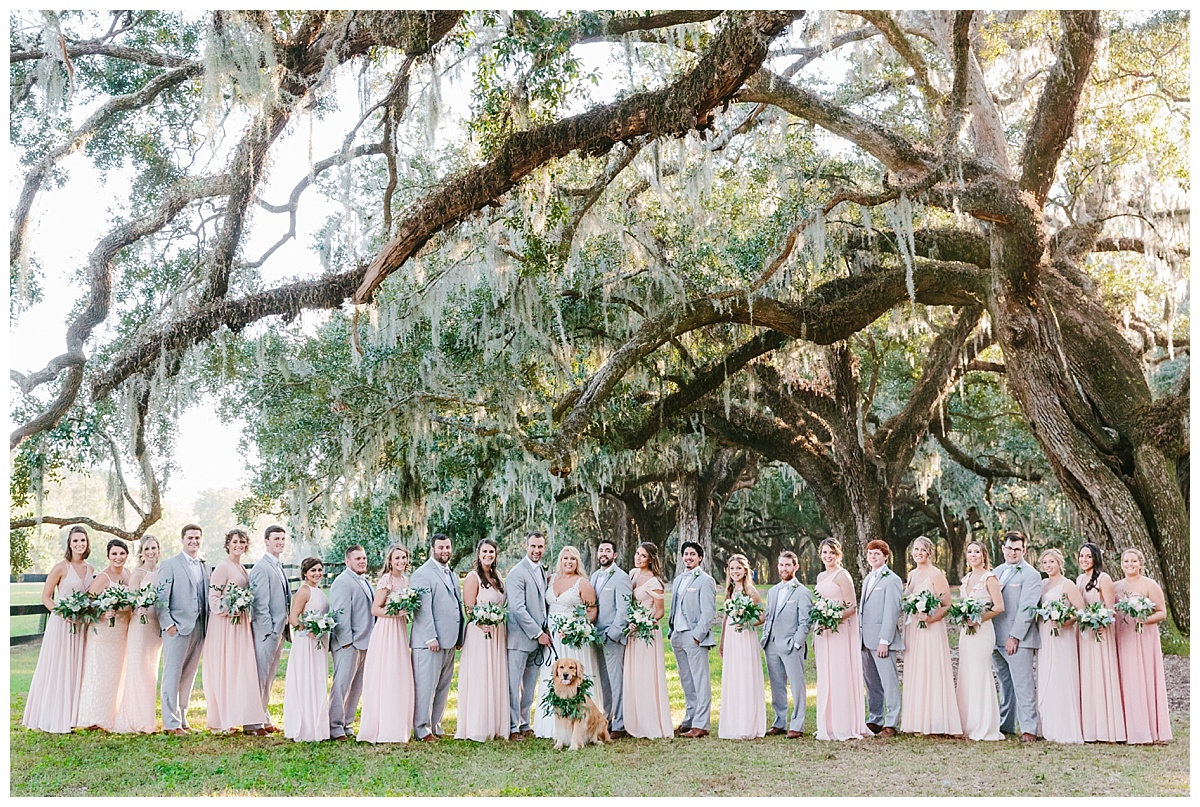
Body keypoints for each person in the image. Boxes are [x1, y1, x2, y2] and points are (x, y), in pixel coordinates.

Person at [23, 526, 94, 733]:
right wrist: (63, 612)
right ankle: (53, 716)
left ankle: (73, 716)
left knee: (76, 667)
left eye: (83, 540)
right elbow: (45, 597)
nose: (79, 544)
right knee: (59, 667)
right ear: (69, 544)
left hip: (81, 626)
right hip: (62, 625)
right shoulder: (60, 568)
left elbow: (91, 596)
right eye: (75, 541)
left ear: (87, 543)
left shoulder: (90, 569)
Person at [533, 545, 603, 738]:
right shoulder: (550, 579)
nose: (568, 562)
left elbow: (592, 611)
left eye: (572, 559)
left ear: (577, 562)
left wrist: (576, 628)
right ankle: (552, 725)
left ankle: (581, 725)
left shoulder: (583, 583)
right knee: (553, 675)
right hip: (552, 637)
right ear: (560, 561)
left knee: (575, 678)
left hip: (574, 639)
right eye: (565, 559)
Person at [204, 528, 268, 734]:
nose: (238, 545)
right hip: (225, 625)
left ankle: (242, 714)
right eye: (234, 542)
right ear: (228, 544)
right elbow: (213, 600)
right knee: (227, 667)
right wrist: (229, 608)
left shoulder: (241, 567)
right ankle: (224, 718)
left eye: (242, 542)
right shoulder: (222, 567)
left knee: (240, 668)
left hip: (240, 623)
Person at [899, 536, 962, 737]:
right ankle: (917, 721)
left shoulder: (936, 574)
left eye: (922, 550)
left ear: (929, 553)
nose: (918, 553)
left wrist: (931, 617)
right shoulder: (911, 574)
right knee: (916, 670)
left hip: (931, 629)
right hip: (914, 629)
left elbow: (947, 605)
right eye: (916, 549)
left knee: (931, 669)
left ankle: (936, 722)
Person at [410, 533, 466, 742]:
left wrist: (459, 636)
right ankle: (421, 728)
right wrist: (430, 637)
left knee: (443, 685)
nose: (445, 551)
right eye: (441, 547)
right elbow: (422, 610)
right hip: (430, 642)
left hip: (450, 640)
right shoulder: (422, 574)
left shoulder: (449, 572)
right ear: (432, 549)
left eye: (448, 547)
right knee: (426, 685)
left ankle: (436, 724)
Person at [358, 544, 416, 744]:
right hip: (386, 630)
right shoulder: (386, 580)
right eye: (397, 558)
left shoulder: (405, 580)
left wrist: (405, 611)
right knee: (387, 672)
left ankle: (398, 724)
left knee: (399, 673)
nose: (401, 561)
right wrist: (396, 613)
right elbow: (375, 609)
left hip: (399, 630)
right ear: (389, 561)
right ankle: (382, 726)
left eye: (404, 558)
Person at [812, 537, 869, 741]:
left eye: (831, 553)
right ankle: (828, 723)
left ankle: (844, 723)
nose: (828, 556)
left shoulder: (842, 575)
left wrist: (833, 618)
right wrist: (820, 622)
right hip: (824, 632)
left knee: (838, 672)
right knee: (826, 674)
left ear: (838, 555)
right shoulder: (820, 577)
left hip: (839, 631)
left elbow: (852, 606)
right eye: (824, 553)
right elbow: (820, 603)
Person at [1114, 548, 1172, 744]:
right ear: (1121, 564)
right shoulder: (1116, 587)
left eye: (1133, 561)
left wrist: (1145, 619)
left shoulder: (1149, 584)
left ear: (1141, 563)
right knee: (1125, 678)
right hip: (1123, 636)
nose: (1130, 564)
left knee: (1143, 677)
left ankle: (1148, 729)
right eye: (1126, 561)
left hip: (1144, 636)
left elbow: (1162, 612)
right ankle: (1126, 728)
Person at [156, 523, 209, 735]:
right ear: (182, 539)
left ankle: (183, 718)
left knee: (188, 675)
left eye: (197, 538)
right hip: (176, 627)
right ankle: (170, 723)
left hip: (199, 626)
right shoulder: (170, 565)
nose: (194, 541)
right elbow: (160, 599)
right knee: (172, 674)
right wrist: (168, 624)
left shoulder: (204, 565)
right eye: (190, 538)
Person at [77, 538, 134, 731]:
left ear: (127, 555)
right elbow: (88, 604)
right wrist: (103, 611)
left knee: (117, 674)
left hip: (122, 632)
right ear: (108, 556)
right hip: (104, 633)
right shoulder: (102, 578)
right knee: (101, 673)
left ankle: (112, 715)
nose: (118, 557)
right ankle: (95, 717)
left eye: (122, 553)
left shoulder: (128, 574)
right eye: (114, 554)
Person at [455, 538, 509, 742]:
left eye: (492, 552)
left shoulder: (497, 576)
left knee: (495, 676)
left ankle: (495, 724)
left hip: (497, 632)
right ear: (478, 554)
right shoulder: (472, 577)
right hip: (480, 633)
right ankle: (478, 726)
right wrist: (482, 622)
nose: (488, 555)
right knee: (480, 678)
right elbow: (469, 608)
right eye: (485, 552)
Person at [991, 530, 1042, 743]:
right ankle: (1007, 723)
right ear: (1003, 548)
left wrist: (1015, 636)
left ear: (1024, 550)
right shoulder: (997, 571)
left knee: (1023, 684)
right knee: (1005, 683)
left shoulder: (1031, 575)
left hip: (1017, 639)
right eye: (1009, 548)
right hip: (996, 636)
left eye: (1017, 549)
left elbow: (1028, 608)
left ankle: (1029, 728)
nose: (1013, 552)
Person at [1075, 543, 1125, 742]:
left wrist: (1102, 622)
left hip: (1101, 632)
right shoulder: (1079, 579)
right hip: (1085, 632)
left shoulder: (1103, 579)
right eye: (1081, 556)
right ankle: (1090, 728)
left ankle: (1107, 727)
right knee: (1087, 675)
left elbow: (1110, 608)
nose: (1084, 560)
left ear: (1095, 558)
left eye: (1088, 556)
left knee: (1101, 673)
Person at [114, 535, 164, 734]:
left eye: (153, 548)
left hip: (155, 626)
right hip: (140, 625)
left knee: (151, 671)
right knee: (138, 669)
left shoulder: (163, 571)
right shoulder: (138, 573)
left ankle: (147, 717)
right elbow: (130, 601)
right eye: (147, 549)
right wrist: (138, 606)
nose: (151, 552)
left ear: (158, 550)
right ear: (141, 553)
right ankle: (136, 719)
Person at [955, 540, 1004, 741]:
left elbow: (999, 607)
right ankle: (967, 722)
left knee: (980, 673)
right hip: (966, 632)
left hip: (982, 631)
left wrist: (978, 619)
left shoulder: (989, 578)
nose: (973, 555)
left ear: (984, 555)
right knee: (966, 673)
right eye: (969, 551)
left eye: (977, 551)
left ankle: (984, 725)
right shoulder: (966, 578)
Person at [622, 542, 672, 739]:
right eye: (637, 554)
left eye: (643, 556)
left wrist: (643, 623)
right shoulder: (632, 574)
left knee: (646, 674)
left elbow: (659, 612)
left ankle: (649, 723)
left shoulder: (655, 582)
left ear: (650, 559)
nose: (638, 558)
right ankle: (632, 720)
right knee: (632, 673)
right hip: (632, 633)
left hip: (647, 633)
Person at [1035, 548, 1085, 743]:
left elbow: (1081, 610)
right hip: (1045, 634)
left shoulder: (1068, 584)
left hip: (1062, 636)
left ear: (1059, 563)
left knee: (1060, 675)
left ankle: (1064, 727)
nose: (1048, 566)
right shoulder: (1042, 585)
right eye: (1045, 563)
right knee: (1046, 675)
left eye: (1052, 562)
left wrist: (1066, 621)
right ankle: (1046, 725)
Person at [668, 541, 717, 738]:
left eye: (692, 554)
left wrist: (697, 636)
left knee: (700, 680)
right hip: (677, 635)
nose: (688, 557)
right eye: (685, 554)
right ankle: (689, 719)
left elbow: (708, 612)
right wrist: (672, 631)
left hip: (694, 636)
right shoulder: (679, 579)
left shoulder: (705, 580)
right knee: (686, 680)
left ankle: (702, 724)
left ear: (699, 558)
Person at [762, 550, 812, 739]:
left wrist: (797, 643)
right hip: (771, 644)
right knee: (777, 685)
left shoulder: (802, 592)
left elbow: (805, 621)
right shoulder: (773, 591)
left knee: (797, 686)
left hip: (791, 645)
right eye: (781, 565)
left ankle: (797, 724)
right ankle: (779, 721)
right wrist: (766, 638)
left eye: (787, 565)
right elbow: (769, 616)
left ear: (795, 567)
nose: (784, 568)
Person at [506, 531, 551, 741]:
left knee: (530, 687)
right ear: (526, 546)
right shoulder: (517, 573)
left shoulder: (541, 570)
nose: (536, 550)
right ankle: (512, 727)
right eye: (533, 546)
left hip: (538, 642)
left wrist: (546, 629)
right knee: (513, 686)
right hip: (519, 639)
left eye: (540, 547)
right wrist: (537, 633)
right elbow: (517, 608)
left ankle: (525, 723)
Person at [246, 525, 291, 735]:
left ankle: (263, 717)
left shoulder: (278, 565)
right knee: (259, 677)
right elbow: (259, 604)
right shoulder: (261, 568)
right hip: (267, 631)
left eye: (282, 539)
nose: (280, 542)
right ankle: (252, 723)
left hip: (280, 630)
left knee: (270, 676)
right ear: (266, 541)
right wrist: (268, 630)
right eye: (276, 539)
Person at [328, 544, 375, 740]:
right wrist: (347, 642)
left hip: (366, 641)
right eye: (358, 559)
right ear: (348, 561)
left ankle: (347, 723)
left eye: (364, 558)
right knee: (342, 686)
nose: (362, 561)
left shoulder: (365, 581)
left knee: (356, 687)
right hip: (348, 643)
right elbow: (340, 614)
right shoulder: (342, 582)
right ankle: (333, 726)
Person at [717, 553, 766, 740]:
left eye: (738, 568)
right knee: (733, 676)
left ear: (745, 570)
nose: (735, 571)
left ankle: (748, 723)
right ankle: (733, 722)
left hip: (745, 637)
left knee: (745, 676)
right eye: (732, 569)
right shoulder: (729, 591)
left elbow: (761, 617)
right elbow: (726, 618)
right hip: (731, 637)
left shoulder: (751, 591)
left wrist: (747, 623)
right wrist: (722, 641)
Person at [858, 540, 904, 738]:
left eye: (877, 553)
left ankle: (891, 721)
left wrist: (885, 640)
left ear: (886, 556)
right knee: (871, 682)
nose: (873, 557)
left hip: (881, 640)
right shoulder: (868, 578)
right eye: (870, 554)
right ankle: (875, 718)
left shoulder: (891, 579)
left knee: (889, 681)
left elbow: (892, 611)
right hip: (865, 639)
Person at [283, 557, 331, 742]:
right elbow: (293, 618)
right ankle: (305, 727)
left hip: (320, 641)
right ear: (305, 573)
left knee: (318, 679)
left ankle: (317, 725)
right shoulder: (304, 591)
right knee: (306, 679)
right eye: (313, 571)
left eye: (320, 570)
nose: (317, 573)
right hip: (307, 642)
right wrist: (308, 631)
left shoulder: (319, 590)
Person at [589, 539, 632, 738]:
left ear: (615, 555)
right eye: (601, 550)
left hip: (612, 638)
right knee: (604, 683)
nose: (603, 553)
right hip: (595, 636)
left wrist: (613, 634)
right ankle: (607, 720)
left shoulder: (621, 577)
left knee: (616, 682)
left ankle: (621, 724)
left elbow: (624, 610)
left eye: (608, 550)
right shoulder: (595, 576)